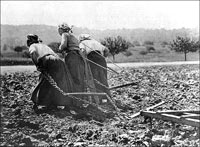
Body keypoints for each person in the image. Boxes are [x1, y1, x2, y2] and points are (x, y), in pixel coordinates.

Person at [27, 34, 74, 110]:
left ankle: (37, 101)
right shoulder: (43, 45)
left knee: (44, 81)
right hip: (58, 61)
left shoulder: (33, 46)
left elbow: (33, 53)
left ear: (30, 42)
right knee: (60, 81)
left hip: (48, 60)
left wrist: (37, 65)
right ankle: (62, 103)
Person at [58, 23, 97, 106]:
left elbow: (63, 45)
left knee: (72, 78)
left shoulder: (65, 34)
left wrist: (59, 49)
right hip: (79, 57)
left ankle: (74, 102)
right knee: (79, 79)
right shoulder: (73, 36)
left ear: (61, 29)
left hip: (72, 57)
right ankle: (80, 101)